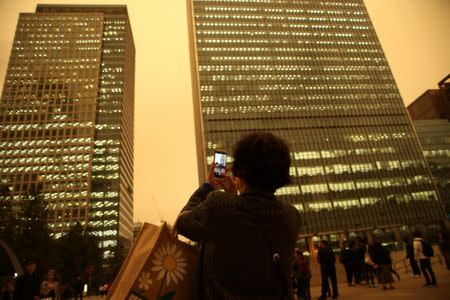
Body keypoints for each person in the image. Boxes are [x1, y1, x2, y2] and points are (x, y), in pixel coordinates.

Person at [176, 132, 301, 299]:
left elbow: (182, 223)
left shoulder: (218, 205)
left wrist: (208, 186)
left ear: (240, 171)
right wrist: (233, 195)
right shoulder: (292, 217)